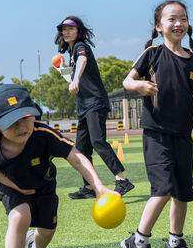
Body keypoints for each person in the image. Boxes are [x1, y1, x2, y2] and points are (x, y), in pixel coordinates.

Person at [0, 84, 118, 248]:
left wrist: (99, 187)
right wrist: (14, 187)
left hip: (43, 184)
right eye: (11, 122)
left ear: (34, 115)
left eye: (25, 117)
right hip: (10, 184)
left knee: (47, 231)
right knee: (20, 217)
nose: (21, 126)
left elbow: (76, 157)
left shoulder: (44, 135)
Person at [119, 0, 193, 248]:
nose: (178, 23)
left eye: (183, 18)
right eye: (172, 19)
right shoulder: (152, 53)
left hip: (183, 135)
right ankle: (137, 242)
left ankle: (175, 243)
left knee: (183, 192)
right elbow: (128, 81)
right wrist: (139, 86)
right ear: (159, 26)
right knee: (162, 190)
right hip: (156, 134)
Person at [55, 16, 134, 198]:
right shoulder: (72, 52)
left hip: (95, 103)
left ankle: (122, 180)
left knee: (98, 141)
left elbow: (82, 62)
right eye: (63, 29)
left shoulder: (81, 47)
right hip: (84, 105)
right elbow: (75, 79)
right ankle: (89, 187)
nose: (66, 32)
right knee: (82, 148)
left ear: (78, 31)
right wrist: (64, 72)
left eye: (70, 28)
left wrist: (75, 79)